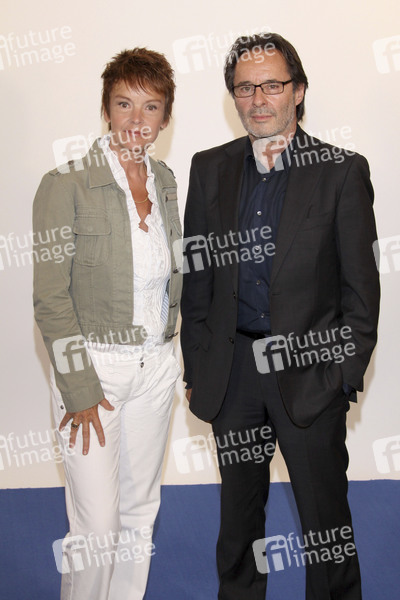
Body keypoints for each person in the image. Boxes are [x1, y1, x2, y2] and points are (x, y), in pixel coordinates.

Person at [180, 33, 379, 600]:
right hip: (233, 375)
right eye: (245, 88)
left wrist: (340, 375)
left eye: (272, 85)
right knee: (239, 527)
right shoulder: (209, 168)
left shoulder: (341, 171)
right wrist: (198, 367)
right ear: (233, 98)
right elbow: (198, 279)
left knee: (325, 528)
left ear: (298, 91)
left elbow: (361, 293)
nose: (258, 99)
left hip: (310, 373)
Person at [33, 48, 182, 600]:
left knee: (139, 512)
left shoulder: (165, 181)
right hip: (94, 372)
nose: (136, 120)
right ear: (105, 109)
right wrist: (77, 386)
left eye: (151, 106)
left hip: (157, 368)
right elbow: (50, 297)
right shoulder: (65, 183)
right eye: (124, 104)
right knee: (96, 528)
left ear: (165, 118)